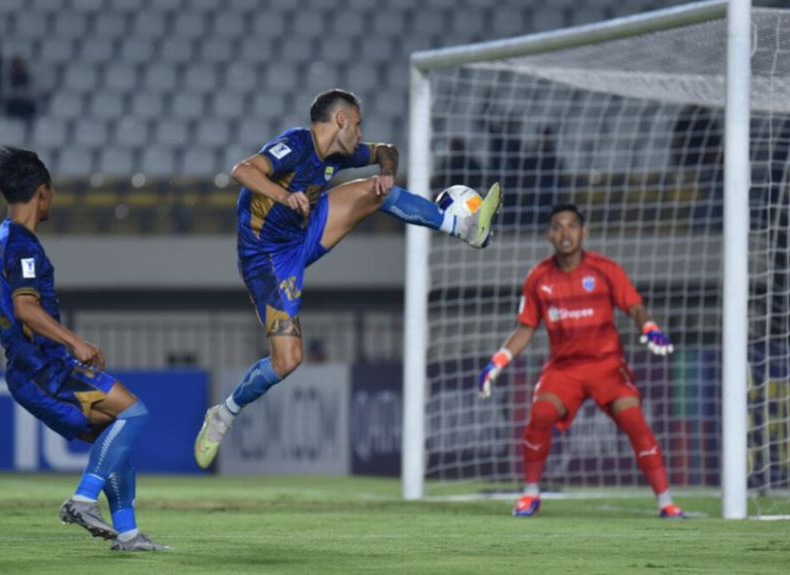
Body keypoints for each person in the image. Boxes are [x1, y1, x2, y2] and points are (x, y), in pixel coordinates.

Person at [193, 89, 502, 468]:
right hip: (267, 259)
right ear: (340, 120)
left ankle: (462, 226)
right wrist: (283, 196)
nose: (360, 132)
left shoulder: (341, 152)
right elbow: (242, 170)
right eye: (357, 124)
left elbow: (386, 149)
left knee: (375, 192)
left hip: (306, 231)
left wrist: (387, 173)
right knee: (287, 360)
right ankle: (223, 414)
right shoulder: (295, 144)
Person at [0, 147, 167, 551]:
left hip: (29, 368)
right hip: (46, 368)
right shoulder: (23, 244)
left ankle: (127, 533)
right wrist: (73, 342)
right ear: (42, 192)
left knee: (113, 438)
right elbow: (25, 306)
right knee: (134, 412)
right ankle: (81, 500)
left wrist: (13, 337)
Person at [476, 203, 686, 519]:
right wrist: (497, 361)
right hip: (564, 370)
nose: (565, 232)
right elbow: (526, 328)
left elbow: (635, 306)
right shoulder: (539, 278)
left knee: (634, 421)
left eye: (572, 226)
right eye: (558, 226)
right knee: (541, 414)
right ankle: (530, 495)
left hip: (607, 366)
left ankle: (667, 502)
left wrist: (650, 327)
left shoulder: (605, 269)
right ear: (549, 235)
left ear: (583, 232)